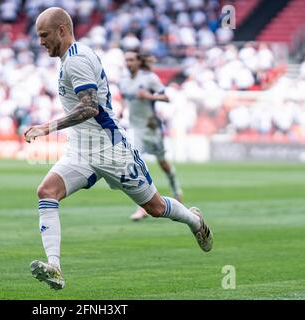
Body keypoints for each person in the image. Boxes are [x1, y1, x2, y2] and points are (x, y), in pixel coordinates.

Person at [24, 7, 213, 291]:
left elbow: (90, 107)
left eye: (44, 35)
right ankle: (55, 268)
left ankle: (194, 220)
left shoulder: (76, 61)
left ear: (62, 30)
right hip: (81, 150)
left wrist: (47, 128)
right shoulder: (69, 58)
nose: (41, 42)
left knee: (155, 207)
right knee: (46, 192)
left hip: (111, 150)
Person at [120, 50, 183, 222]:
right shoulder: (124, 81)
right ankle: (142, 207)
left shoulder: (149, 78)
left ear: (139, 62)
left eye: (132, 59)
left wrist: (148, 96)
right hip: (135, 129)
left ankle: (177, 191)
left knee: (163, 164)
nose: (129, 63)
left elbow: (166, 97)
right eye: (126, 60)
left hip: (151, 128)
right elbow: (127, 101)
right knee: (136, 164)